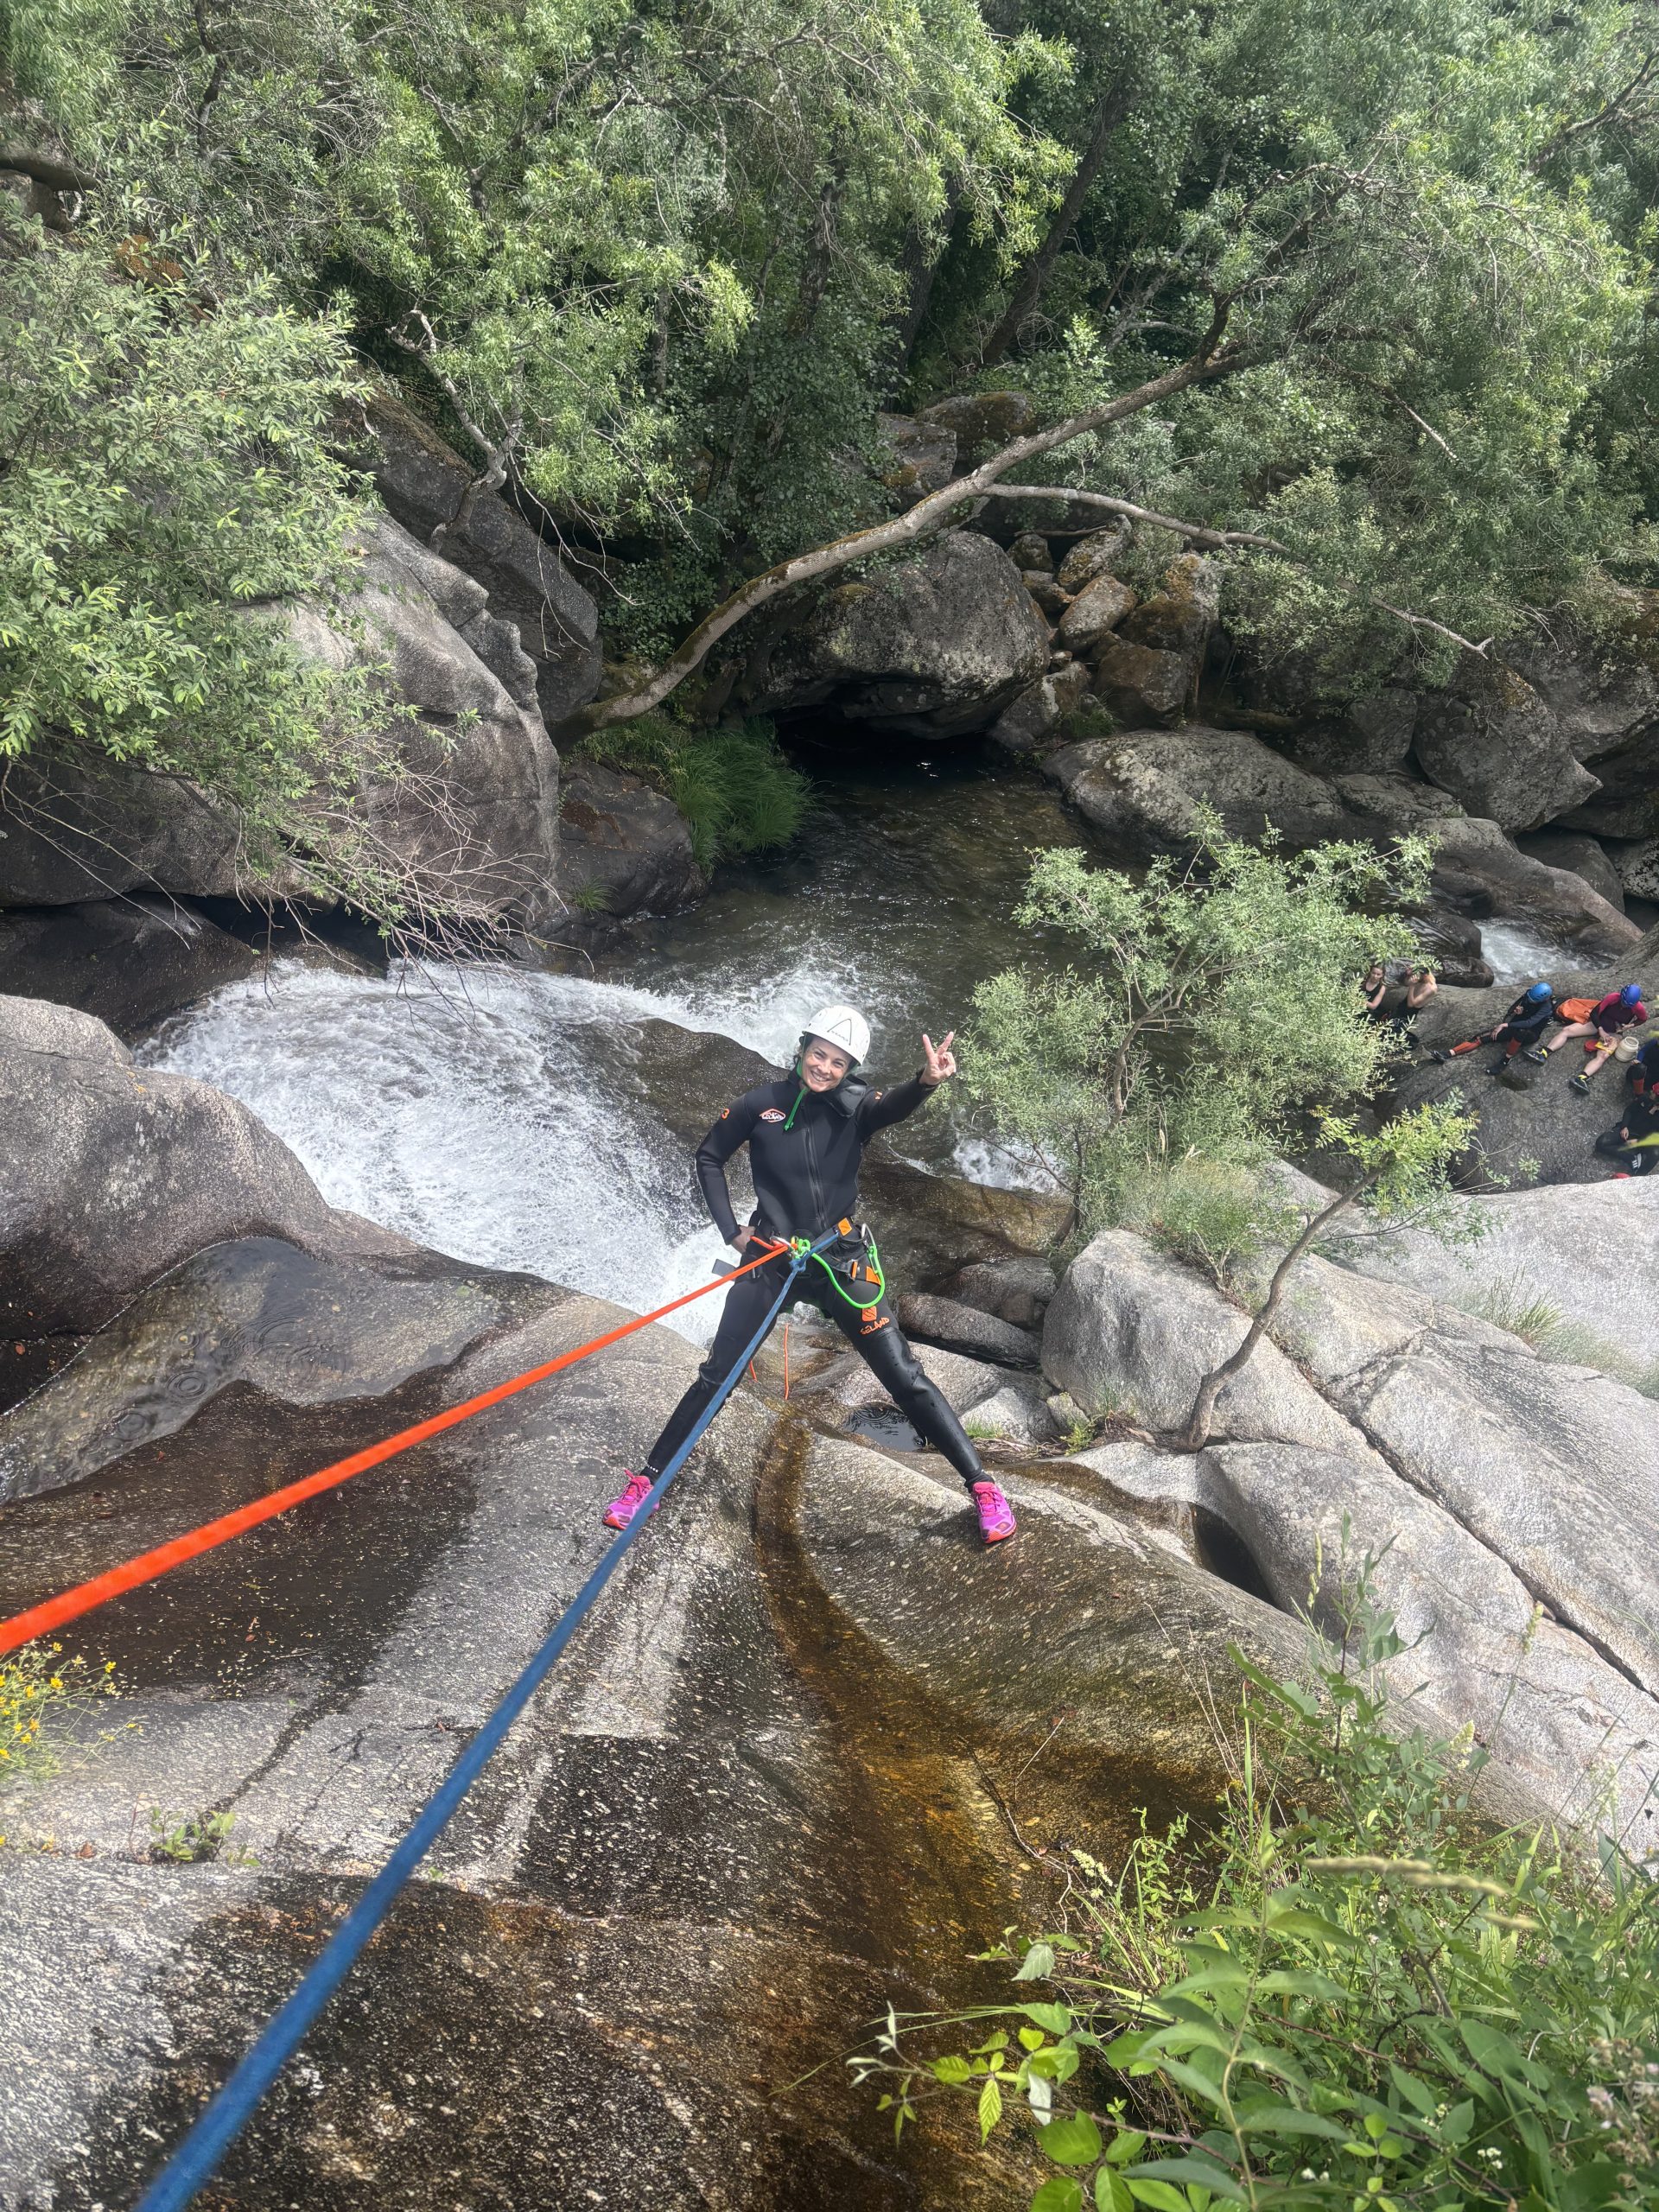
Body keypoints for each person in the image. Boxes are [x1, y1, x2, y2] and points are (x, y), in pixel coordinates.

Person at [603, 1004, 1019, 1546]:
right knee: (718, 1375)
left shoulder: (856, 1108)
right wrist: (732, 1232)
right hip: (770, 1258)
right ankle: (647, 1482)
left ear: (849, 1070)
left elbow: (891, 1106)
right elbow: (709, 1158)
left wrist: (925, 1081)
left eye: (838, 1062)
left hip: (840, 1259)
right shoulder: (759, 1104)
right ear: (802, 1049)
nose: (825, 1067)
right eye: (819, 1054)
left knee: (903, 1375)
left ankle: (982, 1486)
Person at [1529, 983, 1649, 1094]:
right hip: (1597, 1025)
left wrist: (1629, 1026)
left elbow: (1643, 1019)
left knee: (1603, 1055)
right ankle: (1543, 1053)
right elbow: (1594, 1013)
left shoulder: (1638, 1008)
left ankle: (1582, 1078)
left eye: (1627, 1005)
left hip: (1614, 1032)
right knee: (1567, 1031)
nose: (1624, 1005)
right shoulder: (1613, 998)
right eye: (1623, 1002)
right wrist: (1600, 1030)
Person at [1432, 980, 1554, 1073]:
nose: (1530, 1000)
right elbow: (1512, 1009)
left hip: (1530, 1033)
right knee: (1481, 1037)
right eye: (1530, 999)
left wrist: (1505, 1024)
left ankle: (1506, 1060)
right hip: (1514, 1025)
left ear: (1543, 999)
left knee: (1521, 1031)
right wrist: (1514, 1013)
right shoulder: (1529, 994)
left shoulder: (1546, 1007)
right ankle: (1447, 1054)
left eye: (1533, 1001)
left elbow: (1530, 1023)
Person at [1593, 1081, 1659, 1175]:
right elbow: (1629, 1111)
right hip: (1629, 1130)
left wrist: (1639, 1141)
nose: (1651, 1092)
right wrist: (1624, 1126)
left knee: (1655, 1154)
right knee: (1602, 1142)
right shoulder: (1645, 1098)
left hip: (1645, 1139)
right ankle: (1630, 1158)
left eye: (1654, 1093)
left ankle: (1639, 1175)